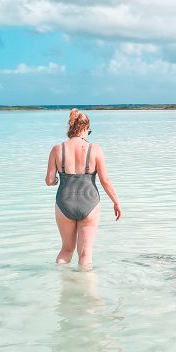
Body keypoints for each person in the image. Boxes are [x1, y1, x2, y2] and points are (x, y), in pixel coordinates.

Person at [45, 108, 122, 268]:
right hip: (90, 204)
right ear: (85, 128)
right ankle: (86, 290)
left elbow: (49, 180)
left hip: (64, 204)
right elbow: (105, 180)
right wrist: (116, 202)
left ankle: (61, 286)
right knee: (85, 254)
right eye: (89, 130)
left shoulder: (57, 149)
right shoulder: (95, 149)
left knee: (66, 250)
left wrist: (58, 180)